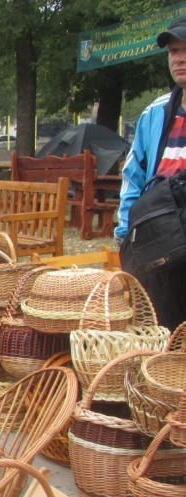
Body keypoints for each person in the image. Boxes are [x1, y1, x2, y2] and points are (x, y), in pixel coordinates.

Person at [117, 14, 186, 331]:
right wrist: (125, 240)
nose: (180, 58)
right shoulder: (153, 114)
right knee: (162, 335)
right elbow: (133, 178)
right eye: (173, 51)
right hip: (162, 248)